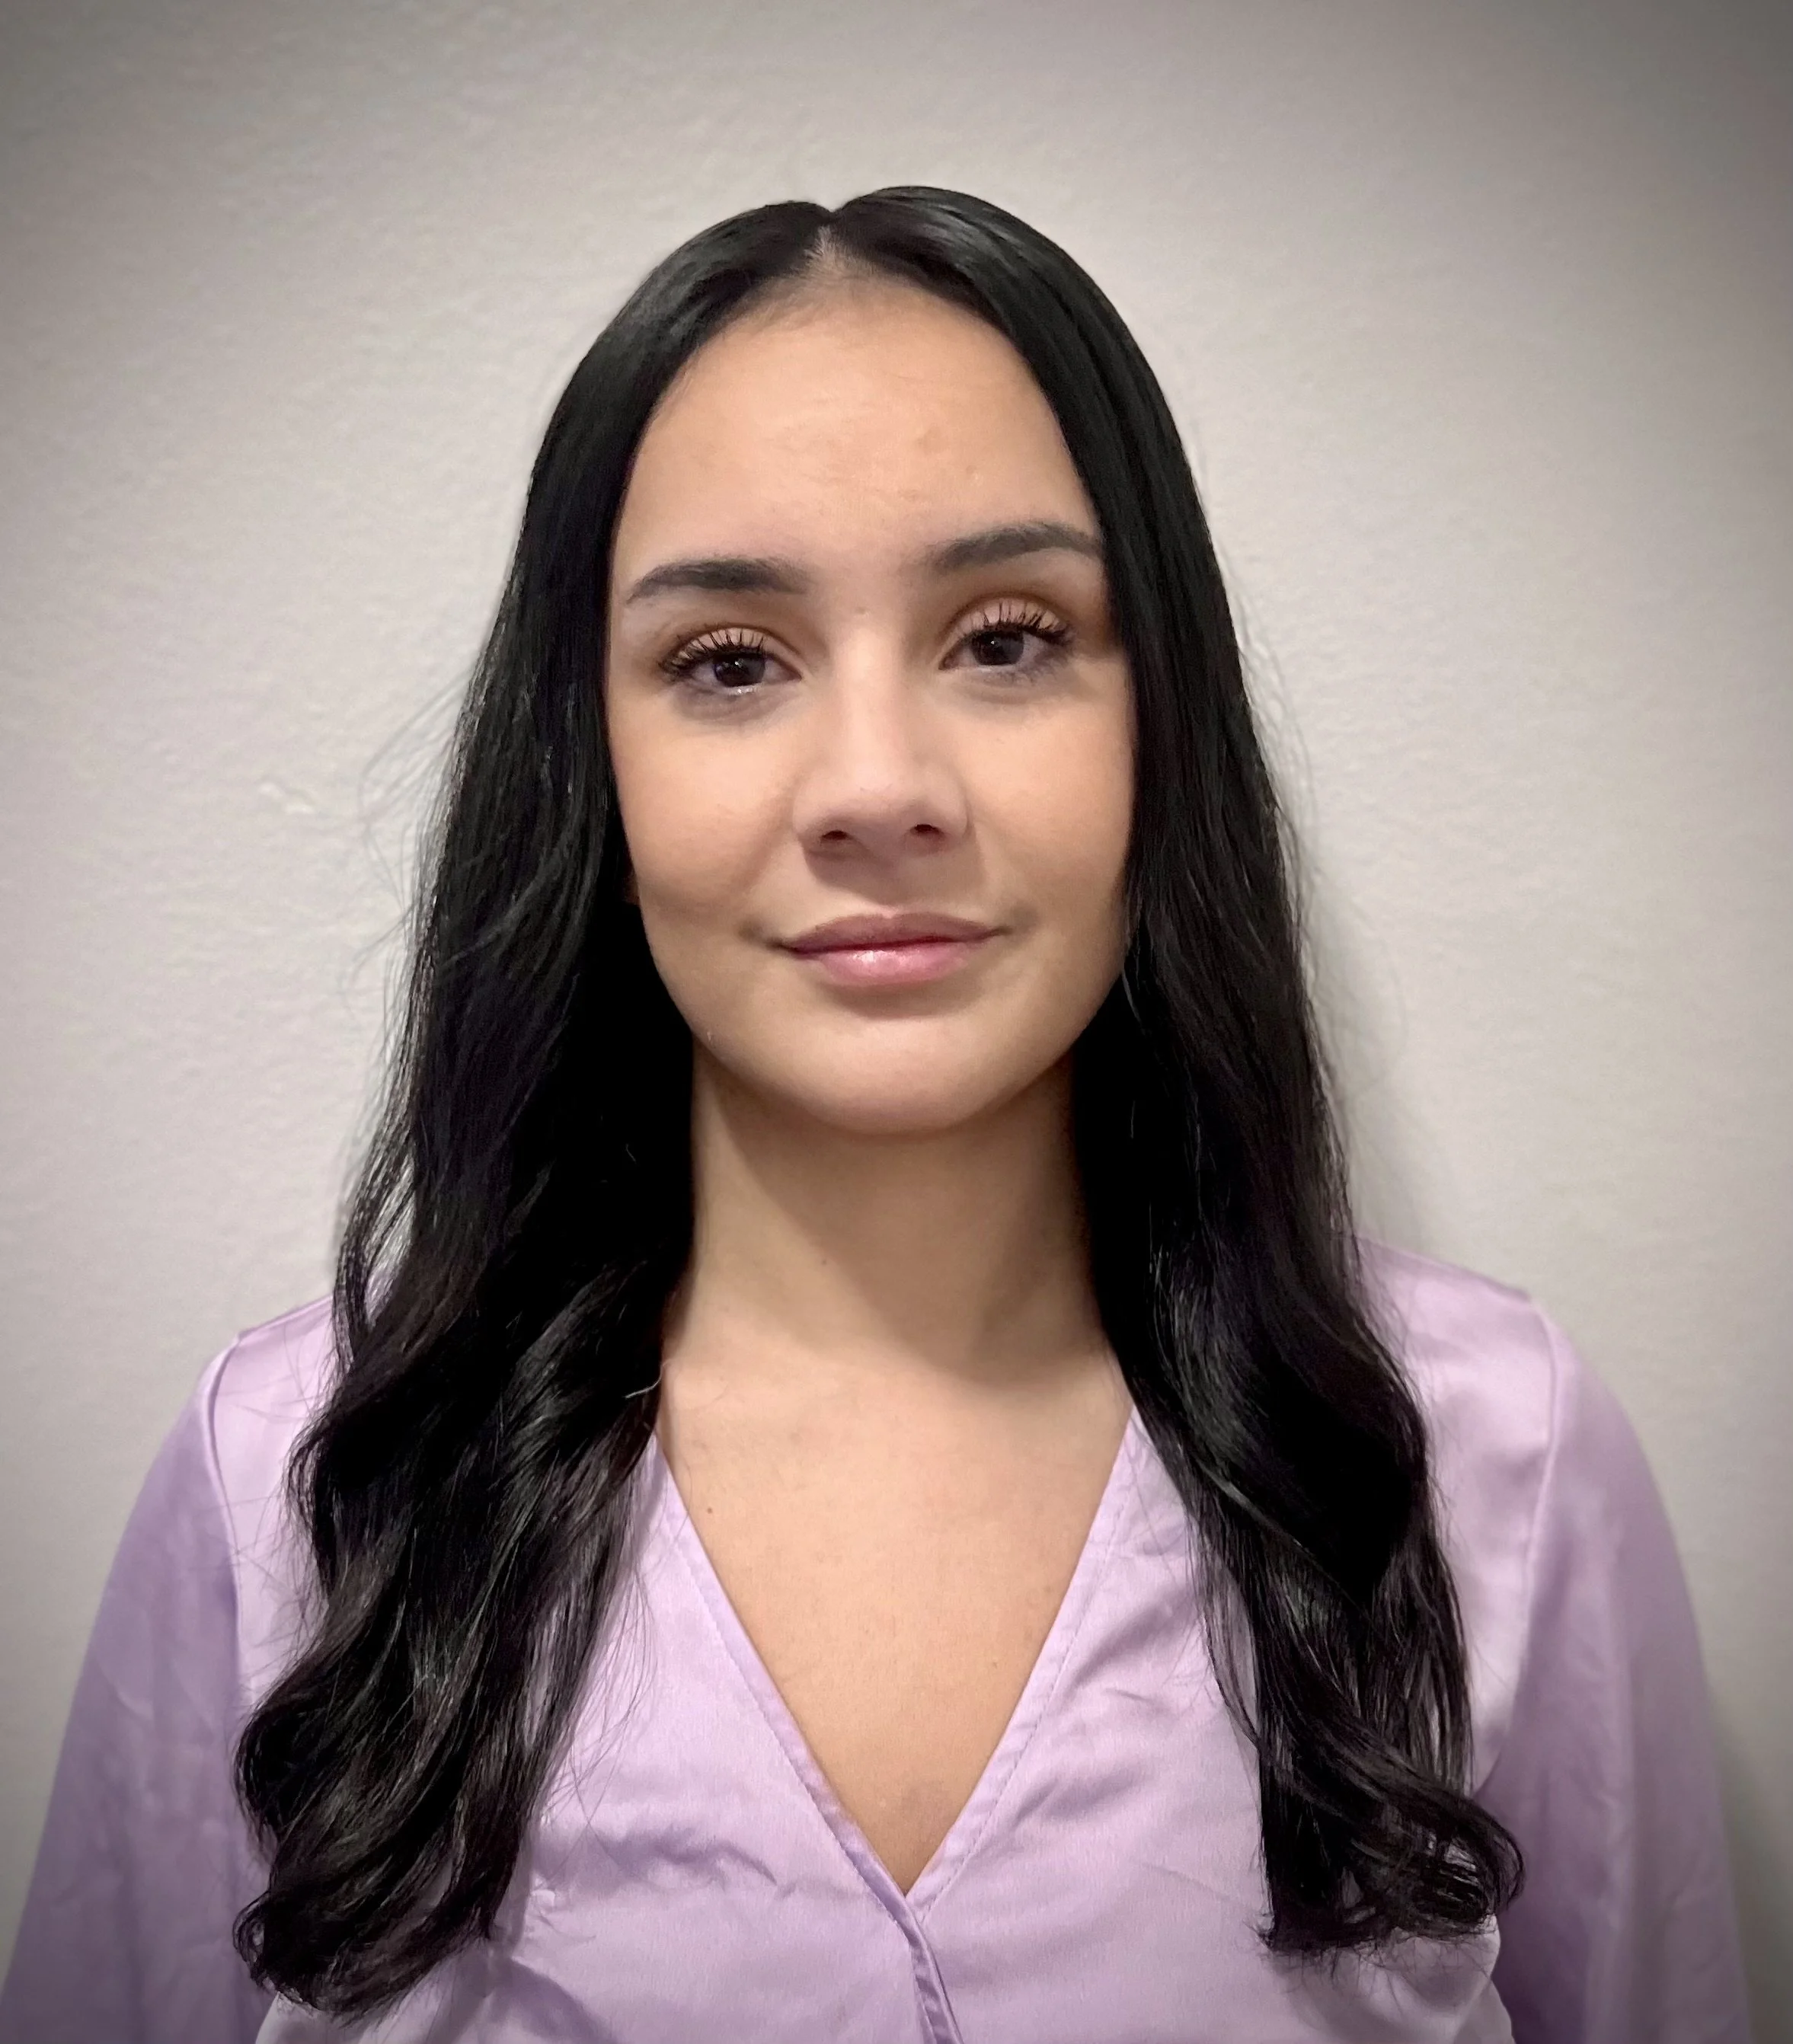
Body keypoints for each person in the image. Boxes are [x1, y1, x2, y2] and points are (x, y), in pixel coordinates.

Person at [0, 188, 1752, 2044]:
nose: (876, 787)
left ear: (1163, 723)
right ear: (587, 763)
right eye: (730, 660)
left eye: (1004, 637)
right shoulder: (287, 1490)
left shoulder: (1496, 1465)